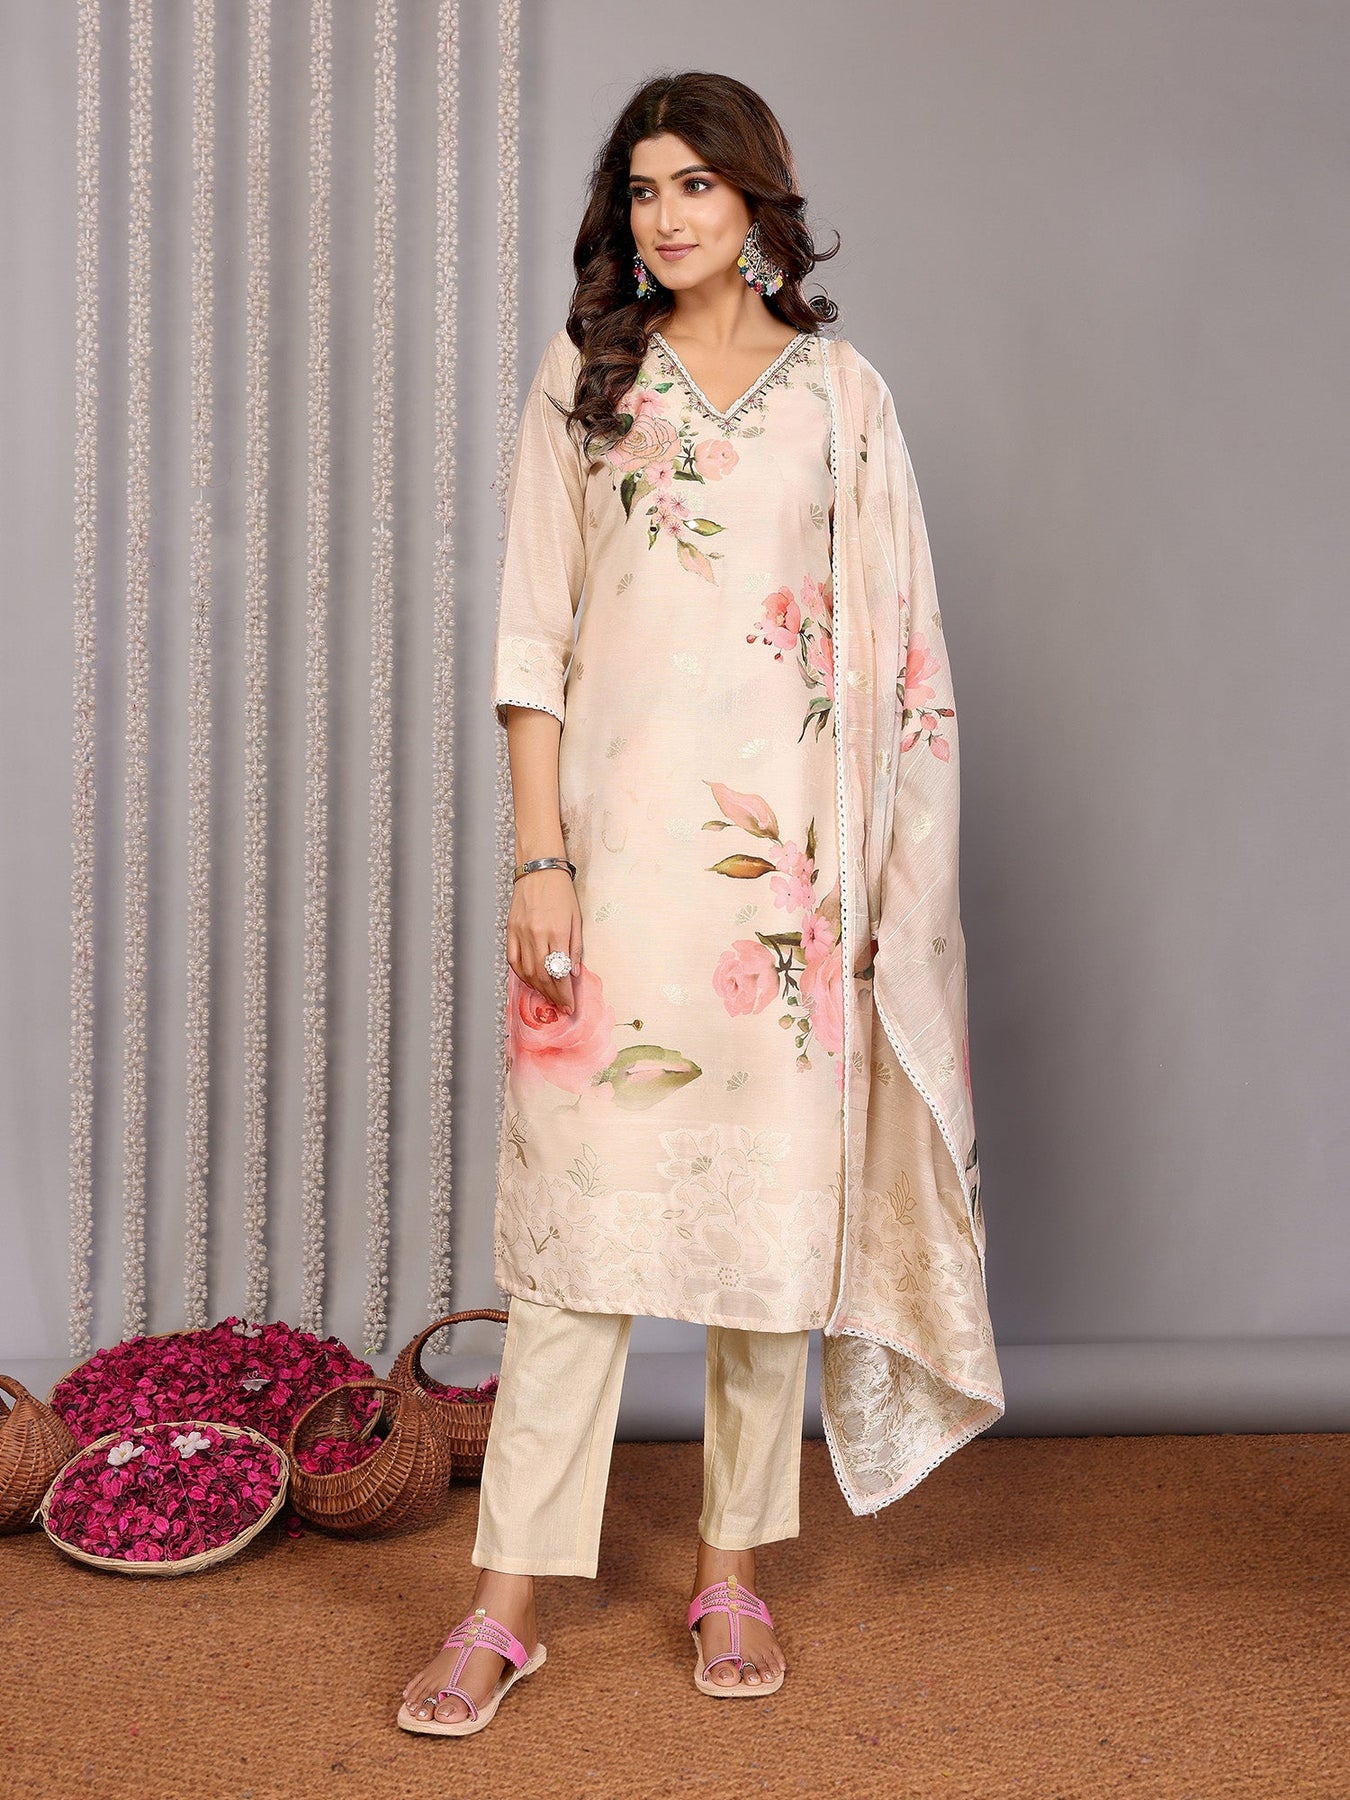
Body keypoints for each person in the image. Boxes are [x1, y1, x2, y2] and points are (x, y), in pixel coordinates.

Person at [400, 69, 1003, 1737]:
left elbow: (901, 657)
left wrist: (880, 892)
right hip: (610, 881)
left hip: (785, 902)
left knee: (764, 1240)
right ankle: (506, 1603)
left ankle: (730, 1568)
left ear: (756, 201)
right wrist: (539, 860)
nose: (665, 216)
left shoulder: (842, 398)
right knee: (573, 1243)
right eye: (642, 187)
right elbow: (533, 634)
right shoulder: (586, 378)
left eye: (695, 184)